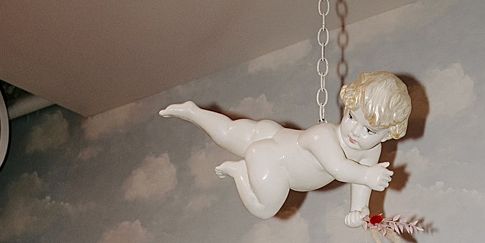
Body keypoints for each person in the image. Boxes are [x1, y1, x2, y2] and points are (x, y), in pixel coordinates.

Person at [160, 71, 411, 224]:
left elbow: (360, 183)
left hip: (275, 136)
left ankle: (195, 113)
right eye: (352, 118)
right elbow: (339, 168)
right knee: (263, 209)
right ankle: (235, 167)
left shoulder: (369, 152)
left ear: (389, 134)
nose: (355, 131)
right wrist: (367, 174)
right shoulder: (324, 136)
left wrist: (359, 210)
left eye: (369, 130)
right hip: (272, 159)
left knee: (229, 133)